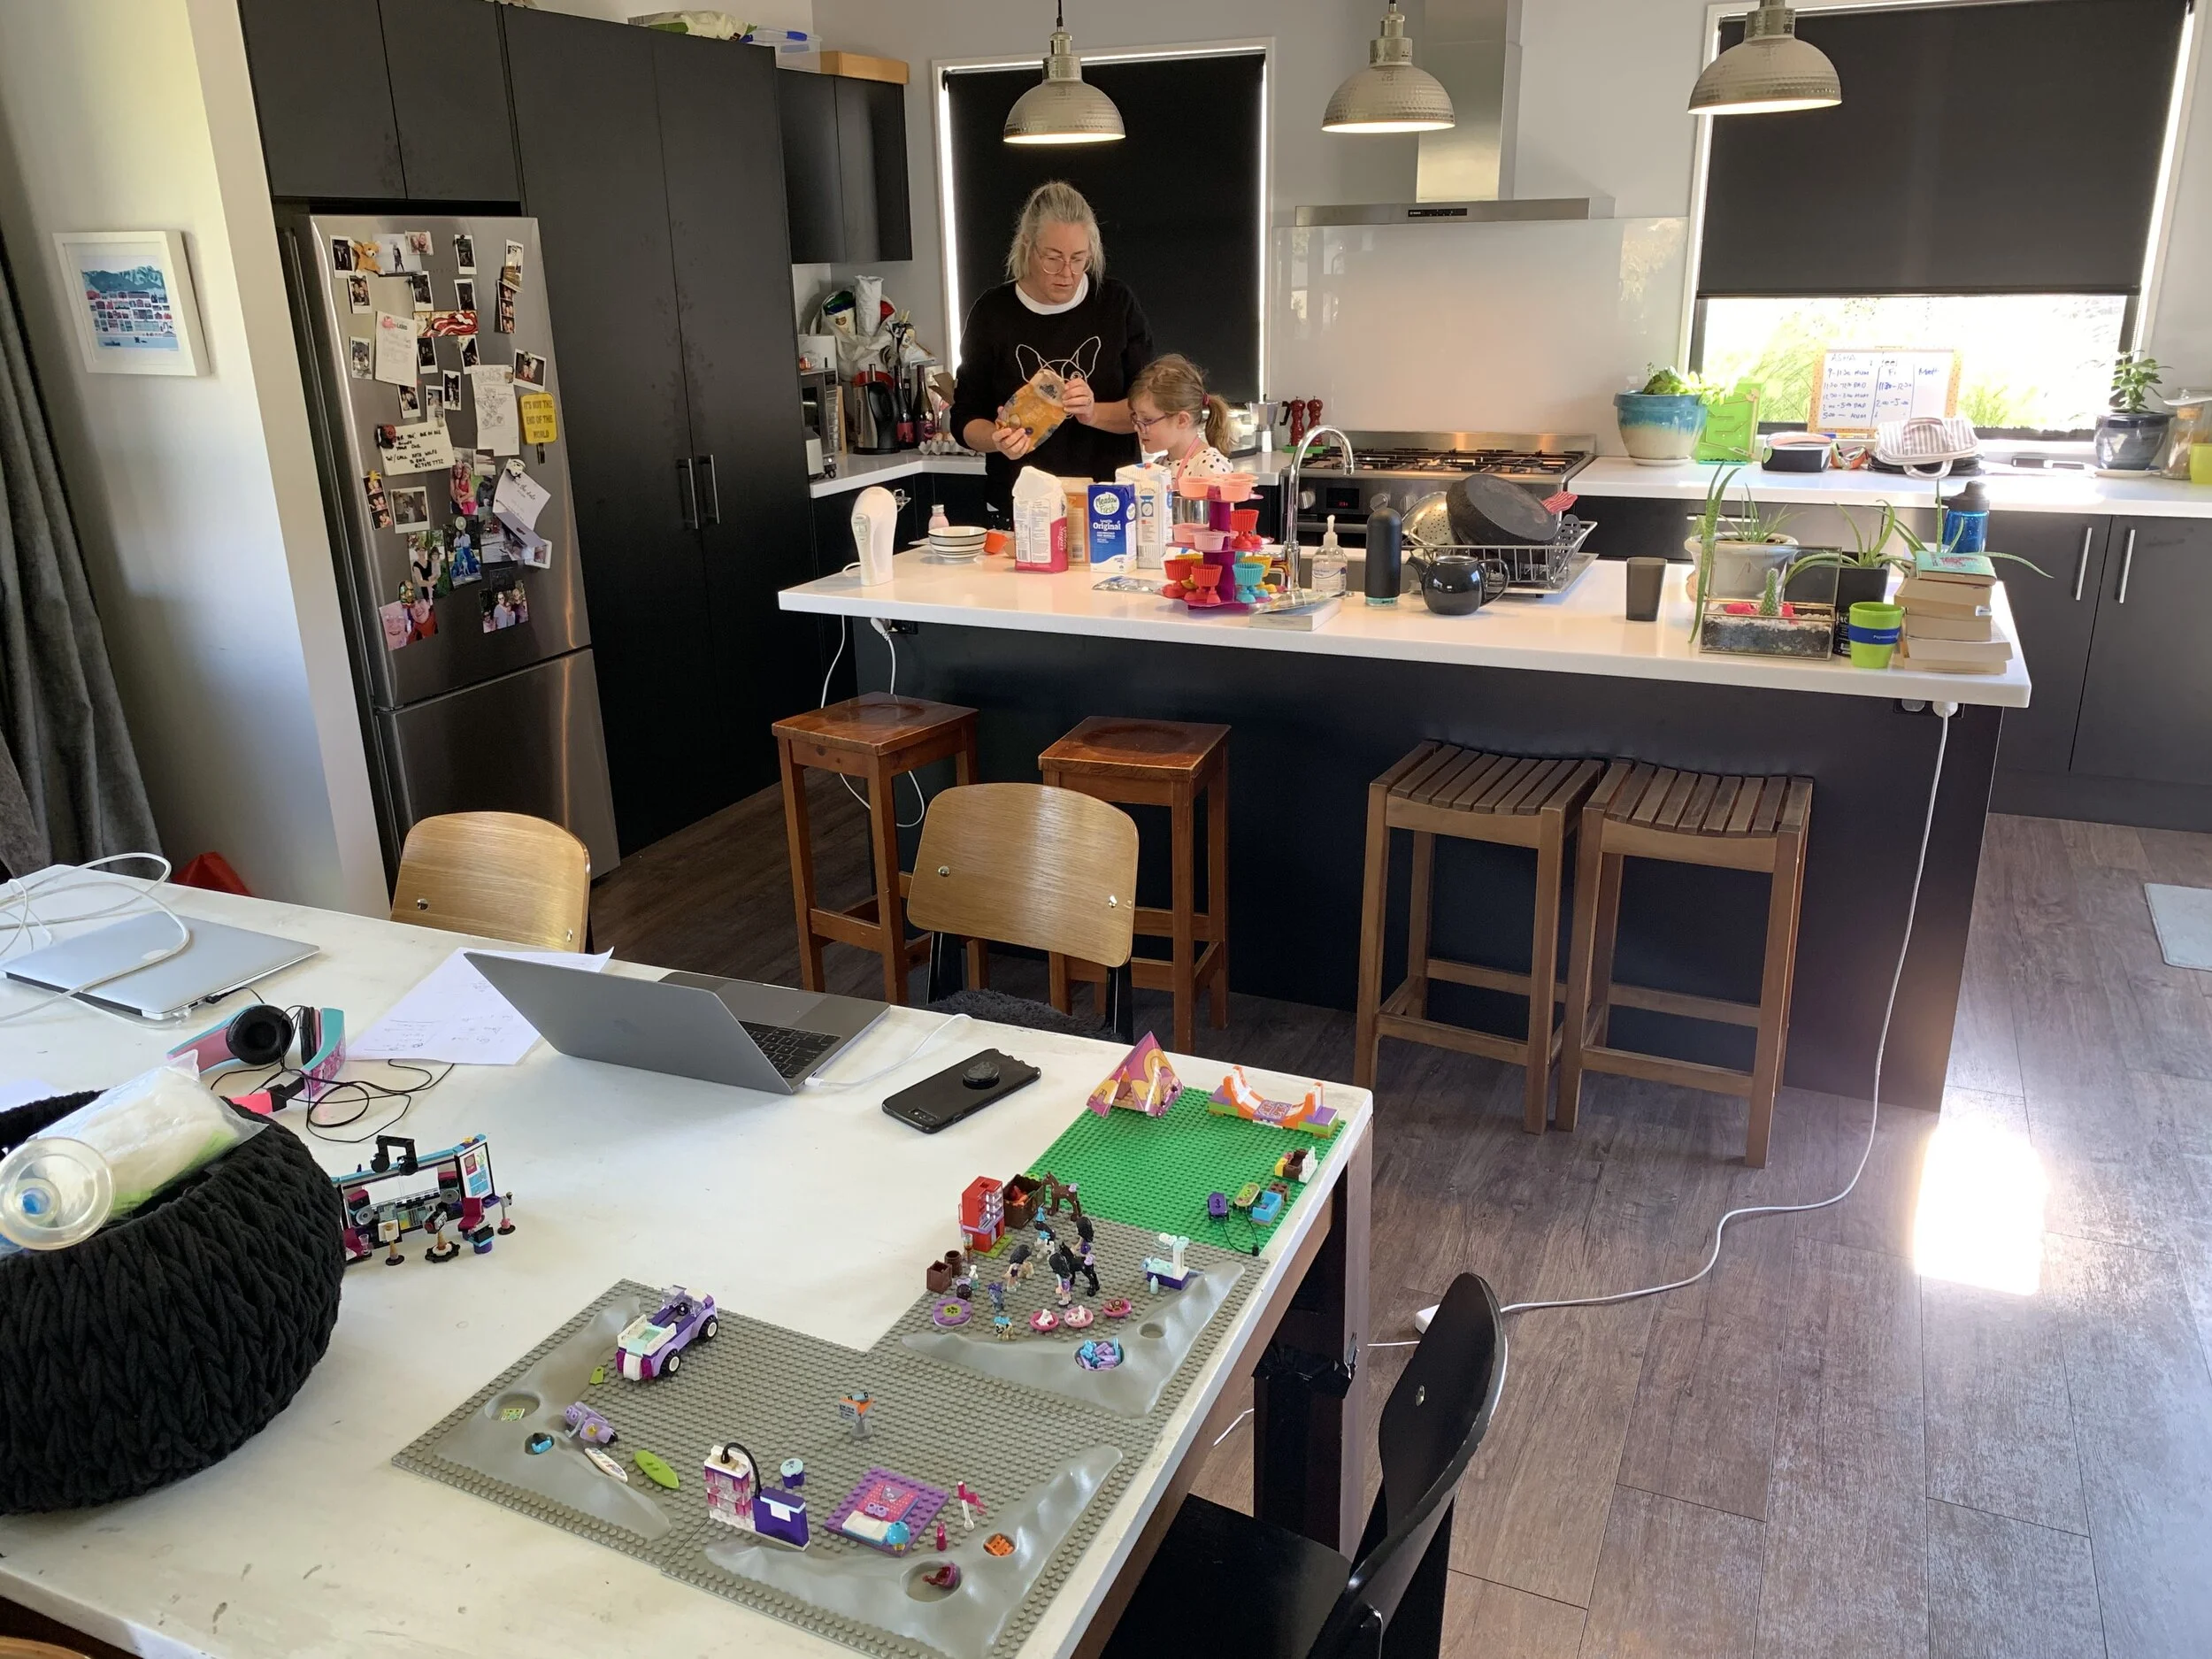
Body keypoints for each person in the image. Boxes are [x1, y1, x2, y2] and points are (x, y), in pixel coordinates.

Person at [949, 180, 1154, 517]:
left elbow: (1148, 410)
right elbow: (965, 418)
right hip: (1021, 508)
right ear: (1027, 246)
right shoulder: (993, 313)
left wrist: (1093, 413)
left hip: (1107, 506)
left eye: (1078, 259)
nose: (1067, 273)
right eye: (1052, 258)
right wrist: (998, 439)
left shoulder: (1116, 305)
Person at [1127, 354, 1233, 490]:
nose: (1137, 427)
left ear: (1182, 420)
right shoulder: (1159, 465)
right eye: (1135, 417)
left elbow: (1222, 505)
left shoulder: (1210, 467)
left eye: (1147, 420)